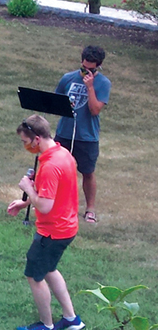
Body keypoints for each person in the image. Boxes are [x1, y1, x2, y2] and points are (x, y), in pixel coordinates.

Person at [6, 116, 84, 330]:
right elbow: (52, 193)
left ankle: (46, 327)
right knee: (49, 269)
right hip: (66, 227)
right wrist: (24, 203)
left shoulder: (50, 166)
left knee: (35, 275)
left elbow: (46, 205)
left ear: (37, 139)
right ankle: (71, 319)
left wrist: (27, 189)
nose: (25, 146)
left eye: (25, 142)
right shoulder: (63, 153)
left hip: (52, 231)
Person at [54, 45, 110, 224]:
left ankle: (90, 209)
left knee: (88, 172)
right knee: (56, 170)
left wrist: (90, 87)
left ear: (98, 67)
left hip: (87, 136)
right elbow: (55, 102)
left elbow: (95, 110)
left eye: (91, 69)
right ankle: (55, 204)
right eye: (83, 68)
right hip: (64, 133)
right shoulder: (67, 78)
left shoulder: (103, 84)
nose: (86, 72)